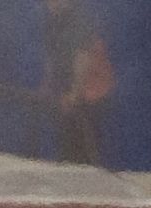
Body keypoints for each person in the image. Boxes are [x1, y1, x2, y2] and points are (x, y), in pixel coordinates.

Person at [42, 0, 115, 165]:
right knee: (68, 144)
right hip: (69, 92)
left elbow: (83, 56)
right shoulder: (53, 20)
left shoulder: (79, 19)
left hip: (91, 92)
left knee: (83, 146)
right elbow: (51, 56)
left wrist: (75, 94)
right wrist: (48, 85)